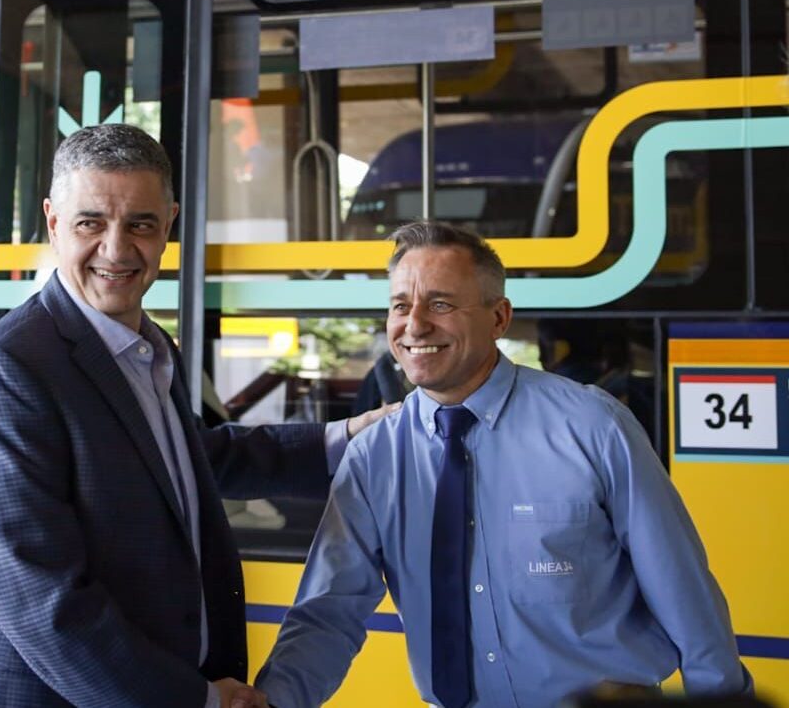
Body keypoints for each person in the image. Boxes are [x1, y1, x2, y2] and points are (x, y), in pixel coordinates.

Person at [0, 124, 391, 708]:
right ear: (52, 222)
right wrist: (195, 701)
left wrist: (345, 438)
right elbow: (43, 603)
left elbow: (186, 461)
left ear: (169, 225)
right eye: (90, 222)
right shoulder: (8, 372)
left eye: (140, 225)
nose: (117, 250)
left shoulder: (144, 346)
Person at [255, 221, 753, 707]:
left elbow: (681, 587)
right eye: (400, 306)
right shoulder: (373, 457)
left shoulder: (592, 426)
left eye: (441, 303)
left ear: (499, 319)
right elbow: (327, 615)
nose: (415, 325)